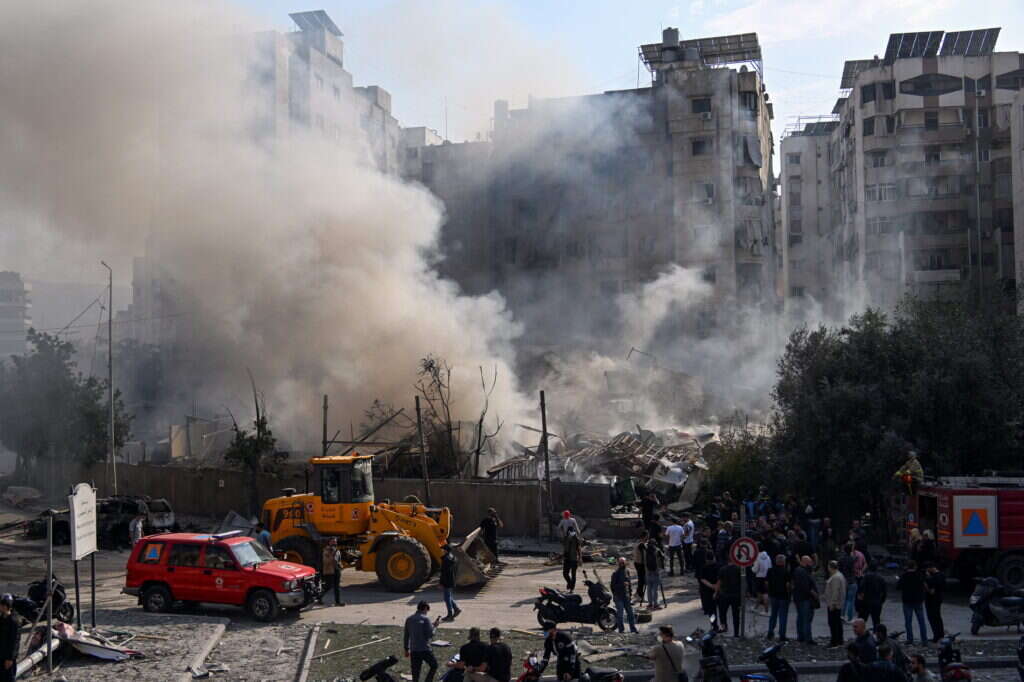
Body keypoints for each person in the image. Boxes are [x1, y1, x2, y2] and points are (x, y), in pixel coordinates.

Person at [404, 600, 441, 682]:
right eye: (427, 610)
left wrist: (406, 649)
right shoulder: (425, 619)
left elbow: (406, 635)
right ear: (425, 608)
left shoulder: (409, 619)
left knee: (415, 673)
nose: (427, 613)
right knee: (434, 665)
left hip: (414, 650)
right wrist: (435, 627)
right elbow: (430, 634)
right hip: (424, 649)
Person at [898, 560, 928, 645]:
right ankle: (924, 640)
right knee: (921, 621)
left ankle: (910, 639)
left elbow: (898, 586)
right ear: (915, 566)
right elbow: (924, 585)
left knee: (908, 621)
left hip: (907, 600)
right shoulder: (919, 575)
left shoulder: (904, 576)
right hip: (918, 600)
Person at [792, 555, 818, 645]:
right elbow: (805, 586)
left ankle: (801, 636)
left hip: (799, 598)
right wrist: (813, 593)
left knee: (800, 618)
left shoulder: (798, 570)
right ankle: (808, 638)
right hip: (804, 598)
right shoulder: (802, 572)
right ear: (806, 562)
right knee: (806, 619)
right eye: (810, 562)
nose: (811, 564)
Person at [766, 554, 790, 641]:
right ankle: (782, 635)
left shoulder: (770, 571)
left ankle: (770, 632)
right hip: (783, 596)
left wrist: (769, 592)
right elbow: (787, 585)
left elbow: (767, 583)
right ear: (783, 562)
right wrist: (789, 593)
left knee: (773, 614)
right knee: (782, 616)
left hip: (773, 595)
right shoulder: (786, 572)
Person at [610, 557, 638, 633]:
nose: (622, 564)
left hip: (626, 596)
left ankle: (633, 629)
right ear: (618, 563)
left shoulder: (627, 571)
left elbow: (629, 584)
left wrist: (630, 594)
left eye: (623, 562)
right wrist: (622, 585)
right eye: (621, 562)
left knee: (630, 613)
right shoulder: (615, 573)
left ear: (625, 563)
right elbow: (612, 586)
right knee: (620, 614)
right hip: (618, 597)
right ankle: (621, 630)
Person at [824, 560, 847, 648]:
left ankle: (834, 641)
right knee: (837, 623)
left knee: (833, 623)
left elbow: (835, 592)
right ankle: (839, 640)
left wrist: (832, 604)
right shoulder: (839, 575)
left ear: (830, 567)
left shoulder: (836, 577)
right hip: (837, 604)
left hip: (834, 605)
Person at [858, 562, 887, 628]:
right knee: (876, 620)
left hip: (866, 601)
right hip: (877, 602)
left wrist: (860, 599)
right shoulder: (881, 578)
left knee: (862, 620)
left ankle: (861, 634)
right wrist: (881, 601)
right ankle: (877, 634)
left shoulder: (866, 577)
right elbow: (884, 592)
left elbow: (861, 588)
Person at [717, 559, 742, 637]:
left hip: (724, 595)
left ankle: (724, 628)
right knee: (736, 615)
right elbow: (742, 582)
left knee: (722, 613)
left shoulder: (722, 569)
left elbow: (719, 582)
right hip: (736, 595)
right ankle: (736, 633)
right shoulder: (739, 569)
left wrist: (716, 592)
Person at [439, 543, 462, 621]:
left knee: (447, 598)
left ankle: (450, 615)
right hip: (451, 580)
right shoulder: (452, 557)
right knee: (448, 597)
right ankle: (456, 609)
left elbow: (444, 573)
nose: (442, 551)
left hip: (447, 581)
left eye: (443, 549)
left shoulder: (445, 560)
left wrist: (441, 583)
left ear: (446, 551)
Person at [698, 551, 720, 628]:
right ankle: (724, 625)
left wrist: (711, 586)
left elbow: (702, 579)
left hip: (707, 591)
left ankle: (714, 626)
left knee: (711, 611)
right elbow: (720, 579)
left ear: (706, 559)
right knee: (721, 611)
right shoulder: (718, 566)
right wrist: (716, 588)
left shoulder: (703, 567)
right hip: (719, 590)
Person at [320, 538, 344, 606]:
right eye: (332, 542)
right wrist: (332, 554)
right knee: (328, 586)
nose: (334, 543)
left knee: (337, 587)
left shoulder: (337, 550)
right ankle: (319, 597)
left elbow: (339, 560)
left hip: (337, 570)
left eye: (335, 542)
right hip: (329, 571)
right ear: (329, 542)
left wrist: (341, 566)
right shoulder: (326, 550)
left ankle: (338, 602)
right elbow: (326, 561)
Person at [924, 562, 945, 642]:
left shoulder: (935, 577)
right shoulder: (941, 575)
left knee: (933, 618)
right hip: (938, 599)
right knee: (937, 617)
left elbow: (931, 590)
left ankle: (937, 636)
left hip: (932, 600)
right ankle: (940, 634)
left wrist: (927, 578)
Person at [838, 543, 858, 622]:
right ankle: (850, 618)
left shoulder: (841, 559)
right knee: (851, 600)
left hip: (843, 581)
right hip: (852, 581)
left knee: (844, 600)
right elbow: (856, 559)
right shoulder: (852, 559)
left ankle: (842, 616)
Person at [0, 594, 18, 682]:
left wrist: (10, 658)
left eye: (1, 605)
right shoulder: (2, 618)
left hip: (8, 657)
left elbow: (14, 641)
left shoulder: (13, 621)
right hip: (1, 655)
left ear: (6, 606)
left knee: (9, 678)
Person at [645, 535, 666, 609]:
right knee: (655, 589)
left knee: (649, 588)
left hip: (648, 571)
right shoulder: (657, 550)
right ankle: (656, 604)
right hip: (656, 571)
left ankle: (650, 603)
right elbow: (663, 557)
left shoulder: (646, 550)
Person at [754, 546, 772, 613]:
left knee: (760, 594)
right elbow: (770, 566)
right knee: (765, 593)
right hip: (766, 577)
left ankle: (765, 610)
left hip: (759, 577)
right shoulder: (768, 557)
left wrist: (752, 569)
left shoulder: (757, 557)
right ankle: (757, 608)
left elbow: (755, 569)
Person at [633, 532, 648, 603]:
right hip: (640, 564)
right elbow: (644, 557)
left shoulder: (639, 543)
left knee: (641, 580)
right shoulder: (641, 545)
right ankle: (640, 597)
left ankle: (637, 593)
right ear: (644, 537)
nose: (647, 538)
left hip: (637, 563)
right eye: (647, 536)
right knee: (642, 581)